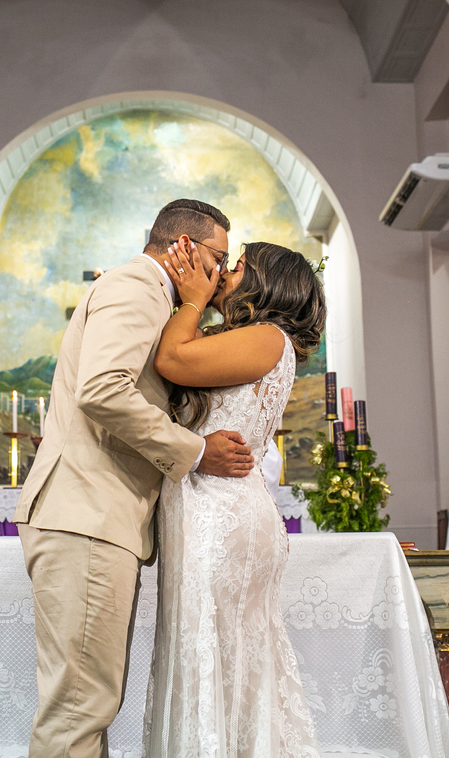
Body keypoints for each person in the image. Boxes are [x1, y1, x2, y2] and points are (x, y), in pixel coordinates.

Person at [12, 199, 256, 758]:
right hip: (87, 516)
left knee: (85, 705)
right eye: (219, 257)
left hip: (94, 518)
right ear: (185, 249)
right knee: (77, 711)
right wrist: (194, 451)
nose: (222, 276)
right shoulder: (137, 287)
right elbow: (102, 389)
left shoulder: (155, 297)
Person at [145, 239, 327, 758]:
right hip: (208, 507)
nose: (225, 271)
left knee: (216, 656)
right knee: (215, 656)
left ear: (265, 284)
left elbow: (173, 358)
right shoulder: (252, 339)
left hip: (222, 517)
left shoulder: (268, 337)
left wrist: (192, 300)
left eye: (239, 265)